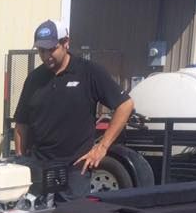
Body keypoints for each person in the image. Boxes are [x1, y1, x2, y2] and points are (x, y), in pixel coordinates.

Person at [13, 19, 135, 201]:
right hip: (39, 168)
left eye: (51, 49)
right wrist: (21, 160)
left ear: (66, 43)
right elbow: (21, 122)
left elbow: (125, 105)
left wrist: (101, 147)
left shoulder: (89, 72)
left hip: (75, 169)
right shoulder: (34, 79)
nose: (46, 56)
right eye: (41, 51)